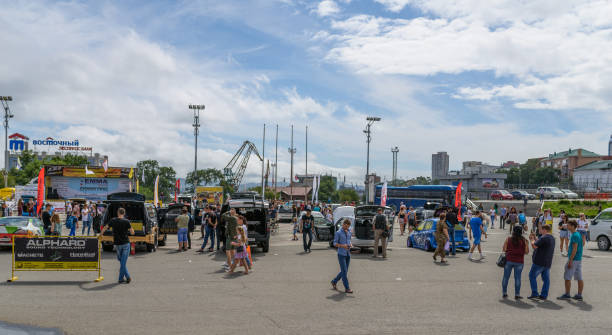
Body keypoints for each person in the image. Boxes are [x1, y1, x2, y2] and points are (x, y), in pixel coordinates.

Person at [99, 208, 134, 284]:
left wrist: (100, 234)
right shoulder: (127, 221)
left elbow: (105, 227)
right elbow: (132, 232)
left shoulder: (113, 220)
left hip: (117, 244)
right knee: (123, 262)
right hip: (125, 243)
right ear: (124, 213)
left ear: (118, 213)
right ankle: (127, 277)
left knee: (121, 261)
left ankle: (121, 279)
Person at [557, 220, 584, 301]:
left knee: (567, 277)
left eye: (568, 225)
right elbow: (581, 245)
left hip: (574, 259)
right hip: (578, 259)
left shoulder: (574, 235)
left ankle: (567, 294)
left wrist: (570, 261)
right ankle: (579, 295)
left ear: (572, 226)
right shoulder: (577, 233)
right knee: (579, 278)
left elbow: (574, 249)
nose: (567, 226)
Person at [527, 225, 555, 300]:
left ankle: (535, 293)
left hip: (539, 261)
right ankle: (544, 295)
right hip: (547, 261)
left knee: (532, 276)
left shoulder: (544, 237)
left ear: (544, 230)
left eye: (541, 230)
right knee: (546, 279)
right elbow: (541, 243)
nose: (540, 231)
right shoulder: (552, 237)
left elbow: (535, 246)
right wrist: (536, 238)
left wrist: (532, 239)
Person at [502, 226, 529, 299]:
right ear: (521, 232)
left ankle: (504, 293)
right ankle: (517, 294)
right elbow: (526, 252)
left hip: (509, 260)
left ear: (513, 231)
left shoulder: (509, 239)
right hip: (519, 261)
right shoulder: (524, 240)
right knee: (517, 278)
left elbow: (504, 249)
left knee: (506, 277)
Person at [331, 219, 353, 294]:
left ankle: (334, 281)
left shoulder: (349, 232)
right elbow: (334, 243)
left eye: (348, 226)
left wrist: (350, 244)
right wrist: (343, 246)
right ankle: (347, 288)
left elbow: (349, 240)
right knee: (344, 271)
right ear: (343, 224)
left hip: (348, 254)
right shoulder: (338, 232)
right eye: (345, 225)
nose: (346, 227)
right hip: (341, 254)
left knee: (344, 271)